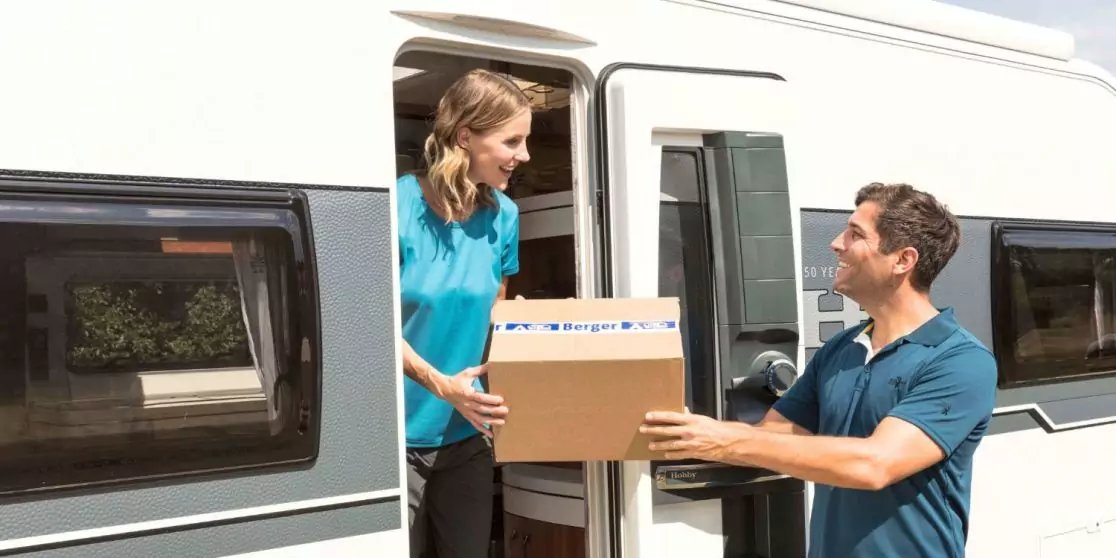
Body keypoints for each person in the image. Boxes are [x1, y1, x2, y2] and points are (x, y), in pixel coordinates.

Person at [642, 183, 997, 558]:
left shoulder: (960, 361)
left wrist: (722, 440)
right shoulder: (841, 349)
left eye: (855, 233)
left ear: (902, 260)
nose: (836, 243)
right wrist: (682, 432)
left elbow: (874, 465)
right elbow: (774, 436)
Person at [398, 68, 531, 558]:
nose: (524, 155)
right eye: (512, 140)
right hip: (399, 437)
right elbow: (372, 326)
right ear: (465, 136)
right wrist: (442, 387)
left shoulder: (505, 215)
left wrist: (521, 328)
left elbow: (492, 310)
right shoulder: (397, 206)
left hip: (468, 435)